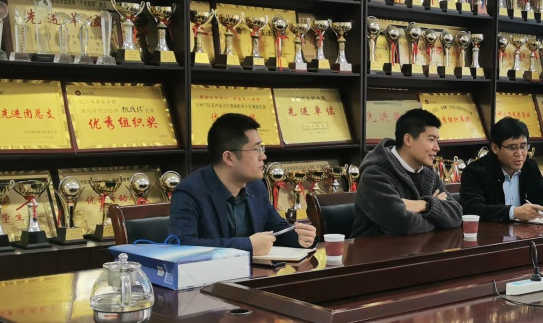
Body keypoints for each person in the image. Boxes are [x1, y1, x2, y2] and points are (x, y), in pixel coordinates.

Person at [168, 112, 316, 255]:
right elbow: (180, 243)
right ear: (229, 157)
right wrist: (247, 245)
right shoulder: (190, 192)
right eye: (256, 149)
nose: (263, 156)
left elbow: (276, 228)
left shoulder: (256, 186)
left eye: (262, 148)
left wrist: (300, 237)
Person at [350, 108, 464, 237]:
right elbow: (403, 224)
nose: (437, 148)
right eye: (431, 140)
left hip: (421, 245)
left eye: (437, 140)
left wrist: (424, 205)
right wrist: (437, 215)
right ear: (408, 140)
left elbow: (456, 215)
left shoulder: (428, 172)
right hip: (375, 248)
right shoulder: (374, 174)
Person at [460, 117, 543, 222]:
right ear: (495, 148)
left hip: (524, 231)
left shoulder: (529, 167)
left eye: (523, 147)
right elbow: (472, 209)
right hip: (491, 233)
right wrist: (513, 212)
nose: (519, 154)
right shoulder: (475, 171)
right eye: (512, 148)